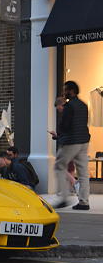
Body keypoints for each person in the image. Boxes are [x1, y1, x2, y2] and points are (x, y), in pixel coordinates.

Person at [53, 81, 91, 210]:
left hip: (71, 141)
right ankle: (84, 202)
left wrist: (59, 135)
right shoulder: (83, 105)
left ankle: (64, 197)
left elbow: (65, 125)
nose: (64, 92)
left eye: (65, 90)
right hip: (84, 141)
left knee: (59, 166)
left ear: (71, 91)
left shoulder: (69, 106)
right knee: (83, 172)